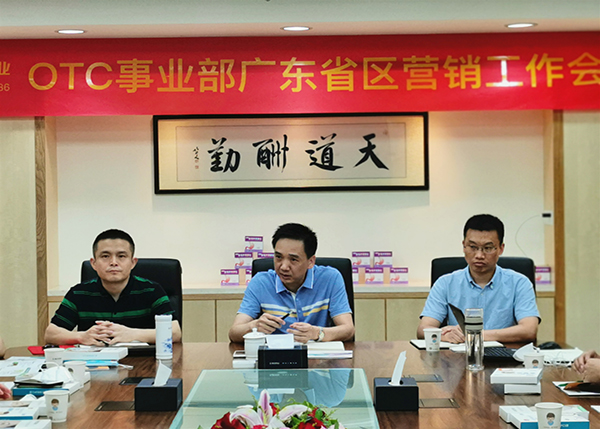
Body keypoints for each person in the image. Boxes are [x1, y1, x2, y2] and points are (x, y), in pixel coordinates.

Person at [45, 229, 181, 346]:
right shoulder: (78, 293)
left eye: (121, 256)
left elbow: (175, 332)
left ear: (133, 263)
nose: (113, 262)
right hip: (94, 363)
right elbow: (50, 334)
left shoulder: (152, 290)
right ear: (93, 263)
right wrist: (81, 337)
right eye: (105, 256)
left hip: (144, 362)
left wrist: (131, 334)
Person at [417, 214, 540, 344]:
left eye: (488, 248)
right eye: (473, 247)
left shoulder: (519, 283)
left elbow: (529, 330)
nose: (479, 255)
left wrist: (474, 335)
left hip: (505, 354)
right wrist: (443, 335)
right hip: (458, 354)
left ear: (501, 249)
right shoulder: (445, 283)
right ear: (464, 246)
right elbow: (423, 329)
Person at [229, 223, 354, 343]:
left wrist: (317, 333)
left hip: (318, 354)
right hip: (276, 354)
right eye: (278, 257)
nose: (283, 267)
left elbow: (348, 330)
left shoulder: (330, 278)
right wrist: (254, 326)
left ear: (310, 261)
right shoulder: (260, 282)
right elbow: (234, 332)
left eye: (293, 259)